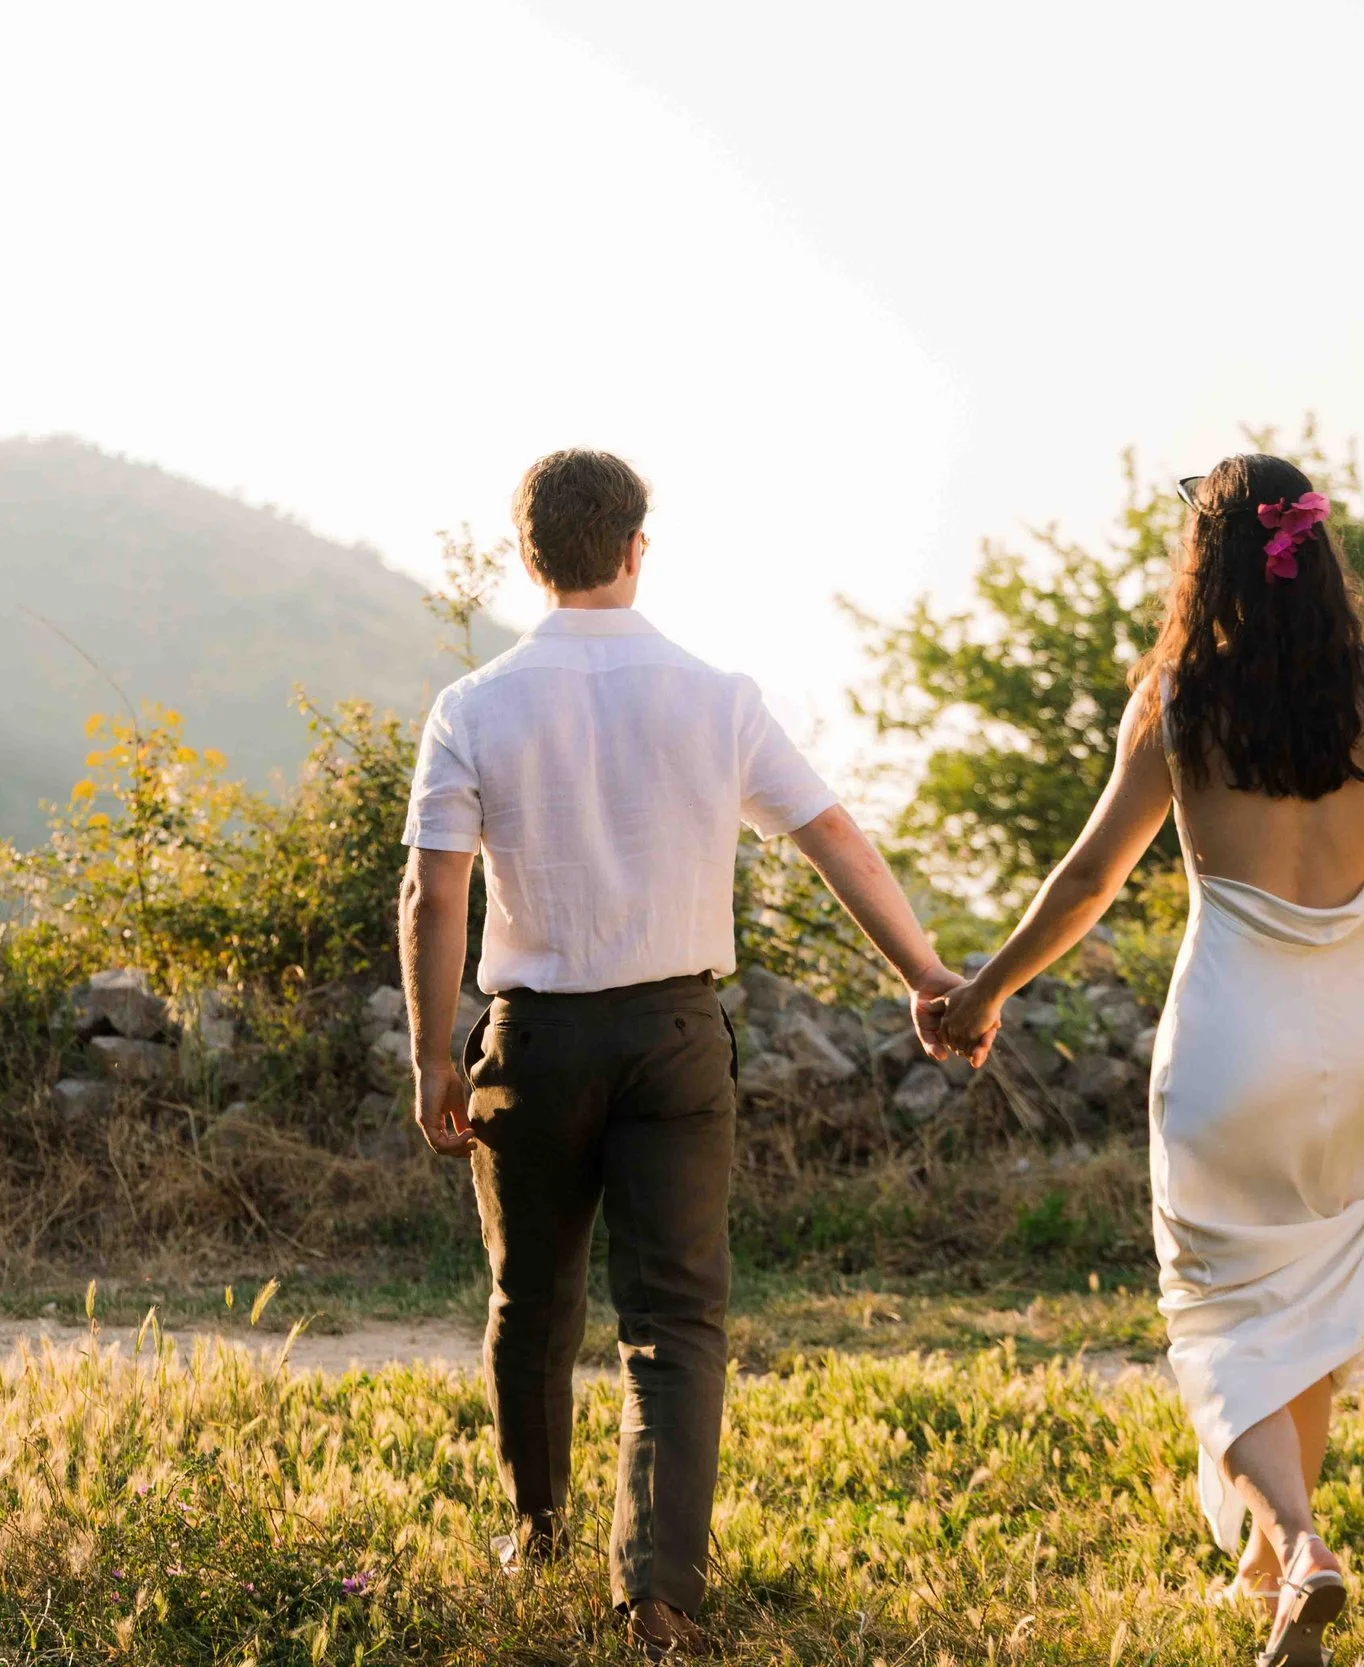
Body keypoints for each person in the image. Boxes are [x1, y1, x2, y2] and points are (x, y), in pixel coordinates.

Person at [926, 454, 1364, 1667]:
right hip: (1358, 1037)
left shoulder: (1177, 701)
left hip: (1230, 1040)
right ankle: (1263, 1567)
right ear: (1319, 558)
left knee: (1215, 1312)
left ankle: (1299, 1542)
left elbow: (1091, 876)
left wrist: (978, 990)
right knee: (1300, 1300)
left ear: (1199, 561)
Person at [399, 449, 957, 1658]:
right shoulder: (719, 696)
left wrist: (430, 1052)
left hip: (532, 1038)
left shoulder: (475, 704)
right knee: (675, 1318)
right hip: (673, 1036)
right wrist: (926, 972)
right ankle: (655, 1591)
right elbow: (834, 837)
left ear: (529, 555)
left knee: (529, 1294)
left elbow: (434, 894)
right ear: (638, 545)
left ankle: (536, 1530)